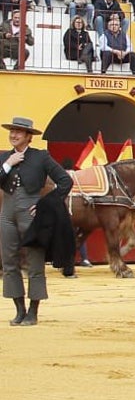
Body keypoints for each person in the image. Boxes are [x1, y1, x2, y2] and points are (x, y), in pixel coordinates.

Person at [1, 117, 72, 326]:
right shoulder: (5, 157)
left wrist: (45, 204)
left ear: (29, 137)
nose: (14, 135)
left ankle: (33, 311)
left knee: (34, 262)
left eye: (19, 132)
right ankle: (19, 309)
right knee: (9, 262)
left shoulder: (41, 157)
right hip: (7, 212)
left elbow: (65, 181)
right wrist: (7, 164)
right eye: (12, 131)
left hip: (31, 214)